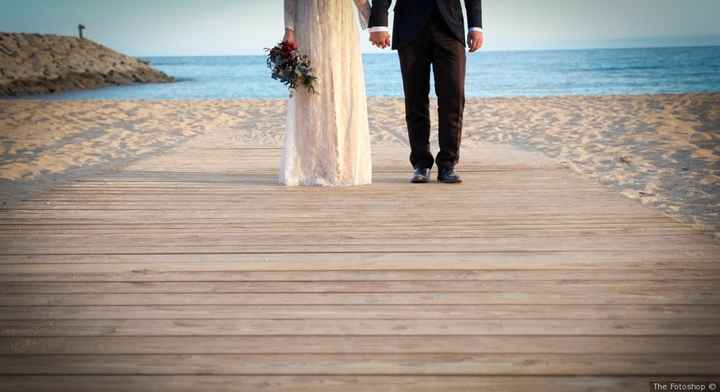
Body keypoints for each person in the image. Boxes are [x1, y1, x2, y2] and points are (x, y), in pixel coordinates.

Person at [368, 0, 484, 183]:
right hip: (409, 27)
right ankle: (421, 164)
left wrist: (476, 26)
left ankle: (447, 164)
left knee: (453, 98)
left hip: (450, 28)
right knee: (415, 99)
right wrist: (378, 23)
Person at [280, 0, 373, 187]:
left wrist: (375, 25)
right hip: (308, 22)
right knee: (312, 94)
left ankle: (342, 163)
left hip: (341, 23)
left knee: (342, 88)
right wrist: (289, 29)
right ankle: (311, 165)